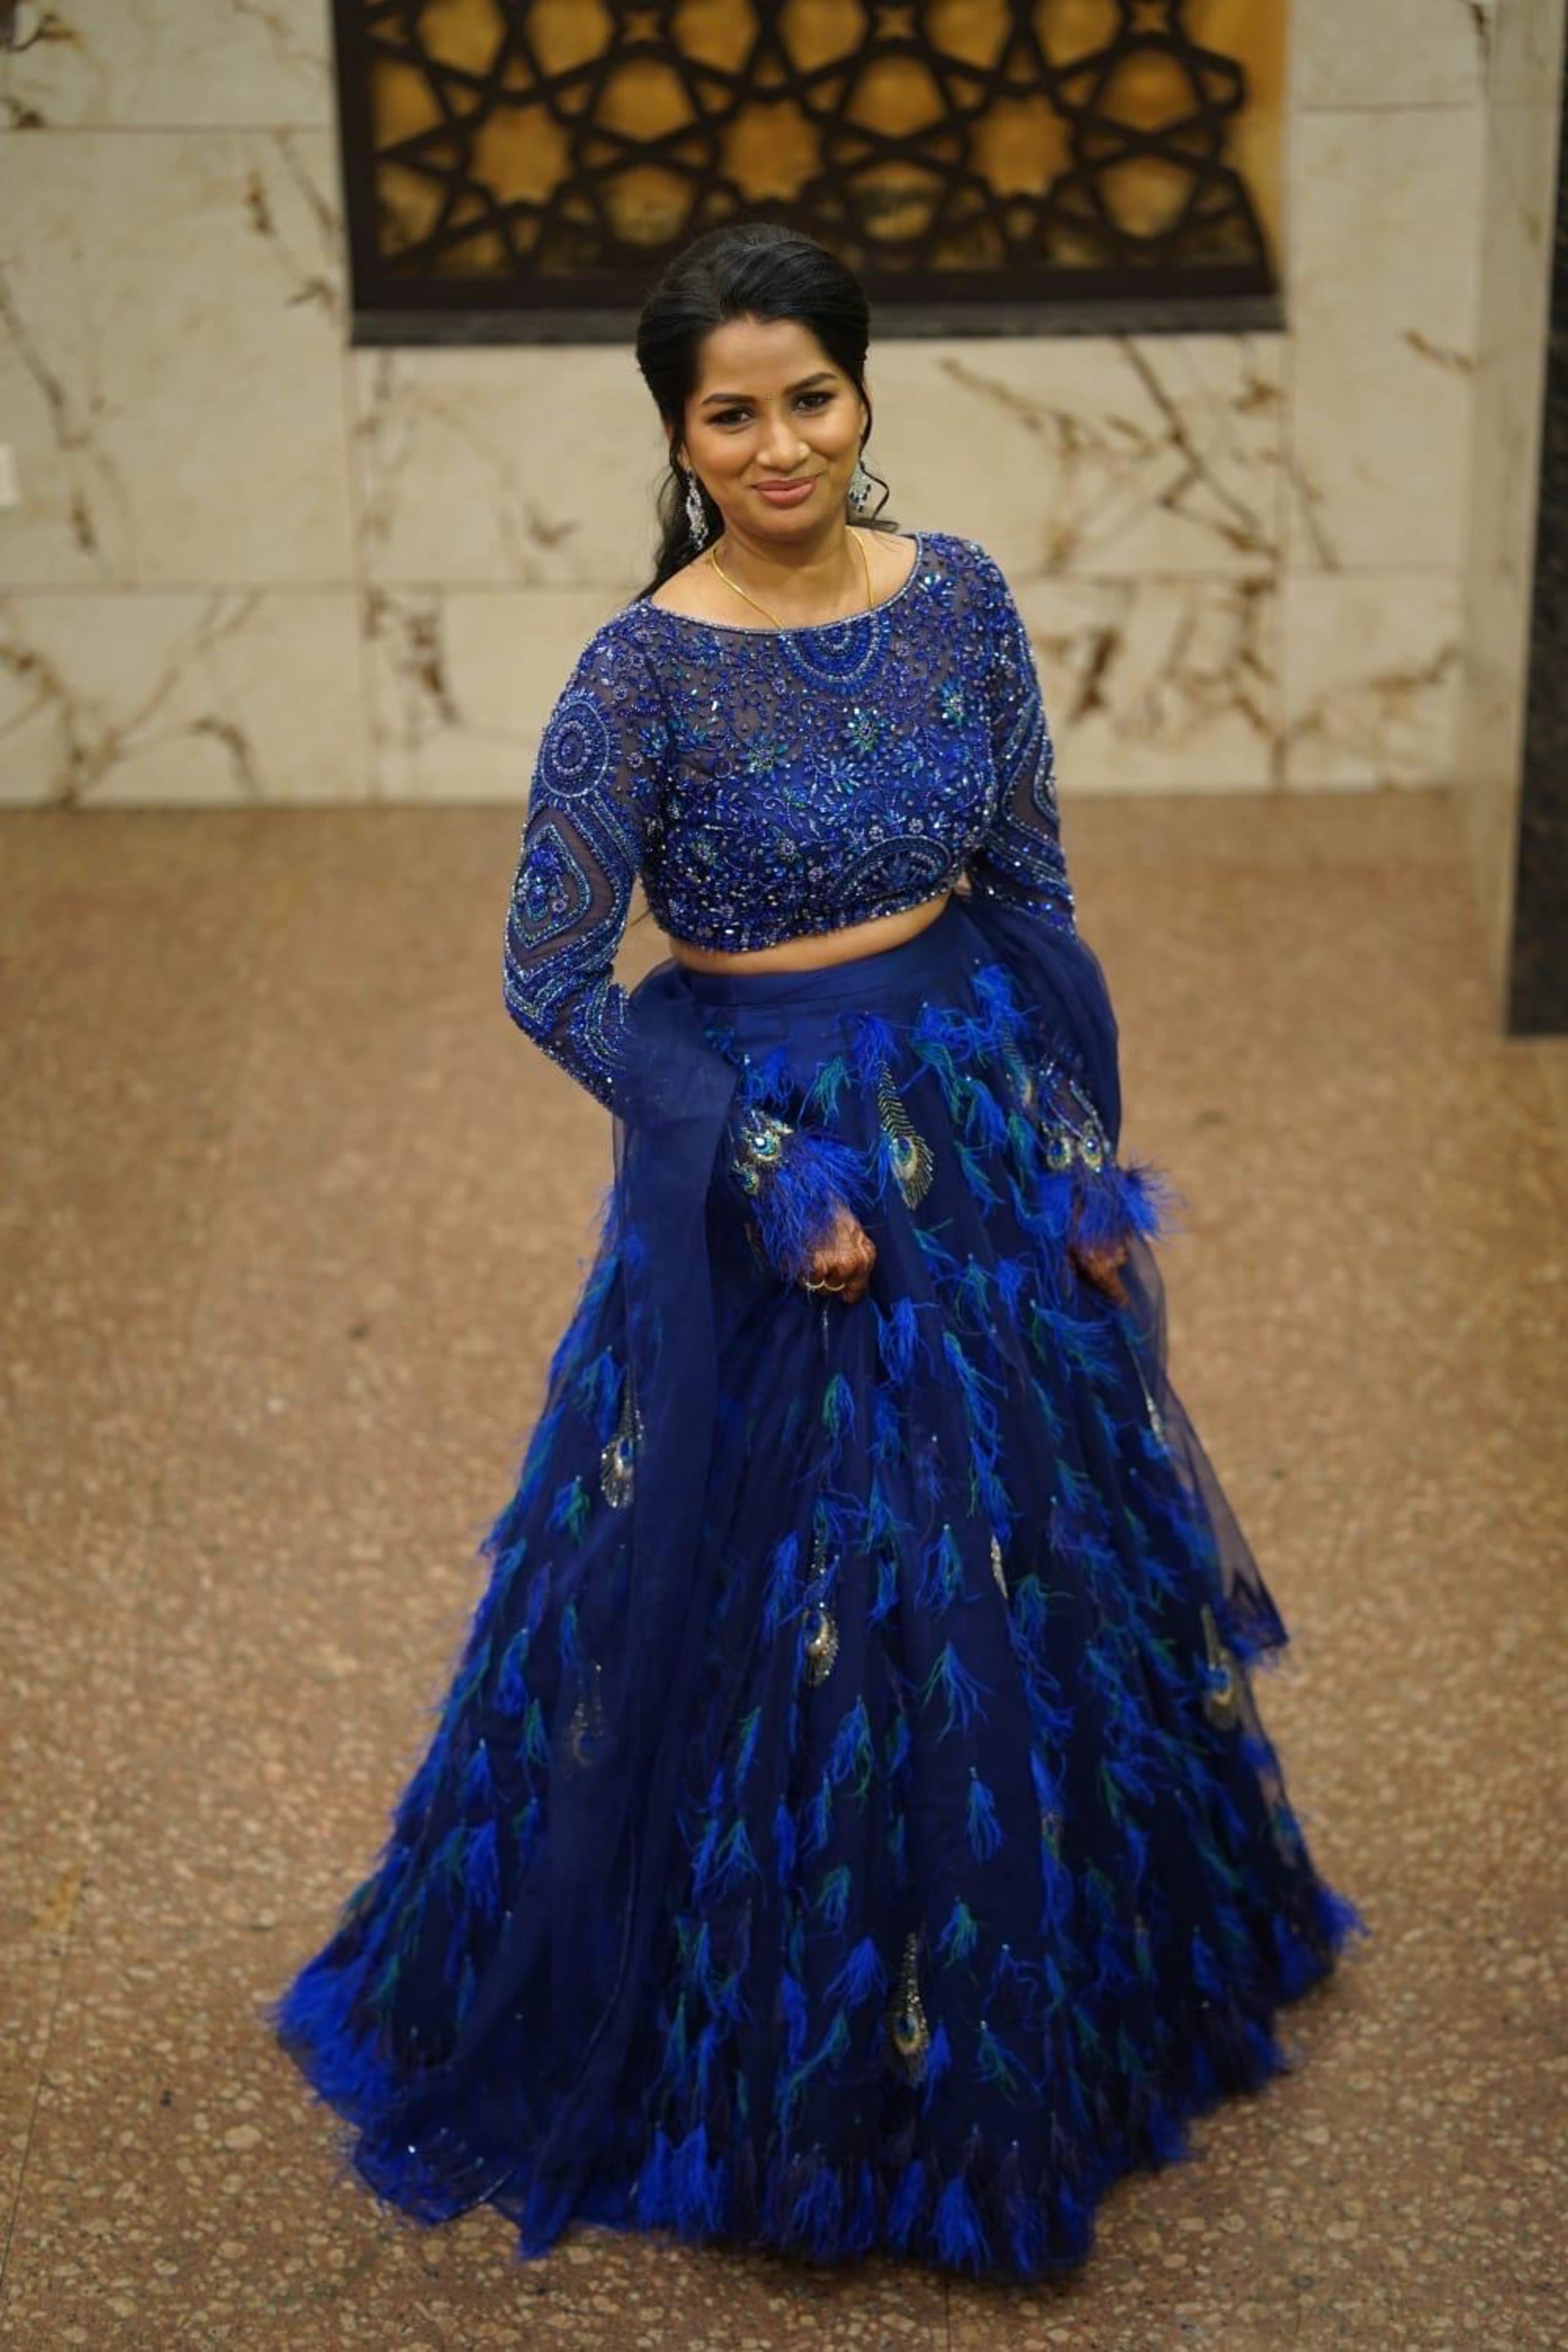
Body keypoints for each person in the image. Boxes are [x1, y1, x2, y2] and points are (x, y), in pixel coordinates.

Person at [267, 221, 1368, 2283]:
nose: (780, 443)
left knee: (1021, 1572)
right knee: (799, 1592)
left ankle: (1058, 2016)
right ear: (682, 434)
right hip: (777, 1161)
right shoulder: (641, 673)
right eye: (731, 411)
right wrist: (761, 1161)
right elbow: (552, 974)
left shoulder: (960, 601)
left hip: (969, 1107)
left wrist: (1075, 1159)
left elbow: (1031, 882)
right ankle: (778, 2072)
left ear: (863, 394)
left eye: (812, 397)